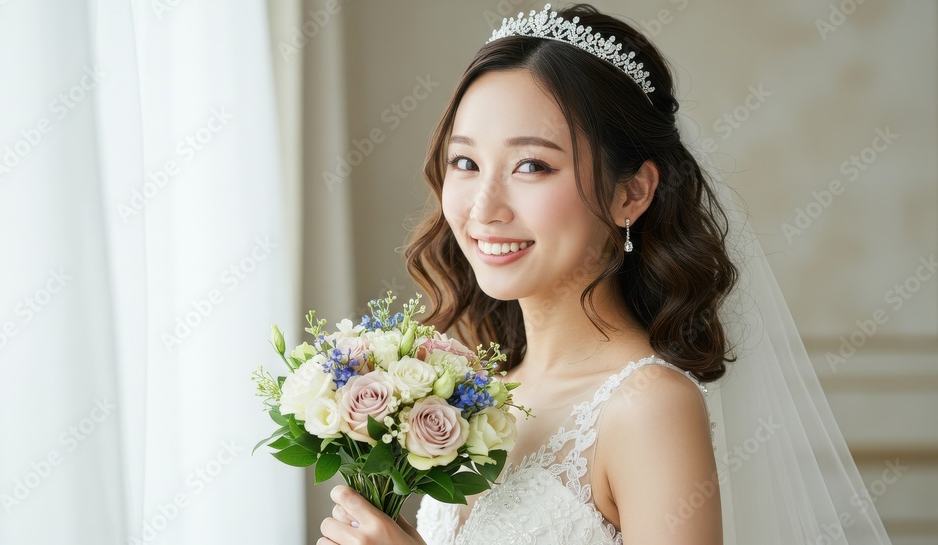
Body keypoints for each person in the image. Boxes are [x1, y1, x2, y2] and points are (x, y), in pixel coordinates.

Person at [318, 4, 894, 544]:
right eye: (465, 161)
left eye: (531, 166)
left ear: (631, 192)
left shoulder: (648, 406)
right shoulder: (479, 394)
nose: (483, 207)